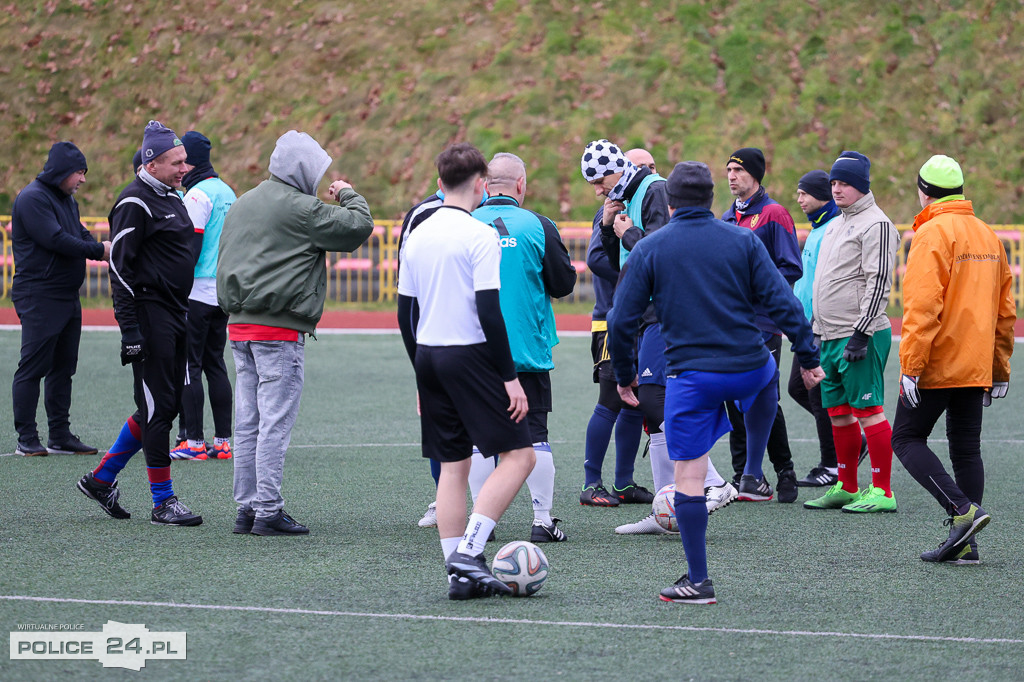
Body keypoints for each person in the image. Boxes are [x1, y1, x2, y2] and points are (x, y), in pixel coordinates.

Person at [608, 161, 823, 604]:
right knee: (767, 378)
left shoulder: (651, 248)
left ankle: (699, 580)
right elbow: (783, 303)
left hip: (691, 378)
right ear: (711, 199)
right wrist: (807, 355)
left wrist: (625, 376)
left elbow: (621, 320)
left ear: (669, 204)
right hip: (748, 364)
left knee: (688, 477)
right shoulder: (742, 238)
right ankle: (750, 472)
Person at [397, 142, 537, 600]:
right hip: (469, 354)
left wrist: (419, 372)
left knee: (453, 468)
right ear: (481, 185)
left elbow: (405, 313)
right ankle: (471, 553)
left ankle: (459, 577)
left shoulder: (417, 232)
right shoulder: (480, 235)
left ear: (439, 184)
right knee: (521, 456)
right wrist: (510, 377)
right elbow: (489, 313)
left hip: (429, 356)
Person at [218, 130, 374, 536]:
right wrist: (348, 193)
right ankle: (268, 509)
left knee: (247, 422)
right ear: (304, 169)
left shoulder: (243, 202)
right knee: (274, 423)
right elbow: (359, 227)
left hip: (238, 327)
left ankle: (246, 509)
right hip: (279, 329)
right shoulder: (304, 209)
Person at [76, 121, 203, 526]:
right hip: (151, 317)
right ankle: (163, 502)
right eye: (177, 162)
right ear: (152, 162)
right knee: (159, 409)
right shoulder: (134, 201)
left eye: (185, 160)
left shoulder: (171, 195)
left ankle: (102, 479)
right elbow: (120, 267)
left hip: (174, 314)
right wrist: (130, 331)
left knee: (157, 405)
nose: (185, 167)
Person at [891, 155, 1014, 563]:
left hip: (937, 362)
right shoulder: (988, 234)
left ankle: (962, 512)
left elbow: (922, 307)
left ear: (924, 191)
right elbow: (1005, 310)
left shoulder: (931, 233)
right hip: (976, 362)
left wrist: (911, 365)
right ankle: (968, 547)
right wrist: (999, 366)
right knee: (966, 448)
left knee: (906, 438)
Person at [470, 152, 577, 542]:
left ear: (484, 184)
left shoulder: (464, 222)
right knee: (535, 436)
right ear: (520, 185)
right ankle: (543, 521)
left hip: (473, 350)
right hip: (525, 351)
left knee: (479, 438)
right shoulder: (538, 225)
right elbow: (564, 284)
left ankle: (483, 521)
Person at [804, 151, 899, 514]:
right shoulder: (836, 223)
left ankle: (883, 490)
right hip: (829, 335)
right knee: (838, 413)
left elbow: (878, 283)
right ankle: (846, 485)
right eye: (833, 182)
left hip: (858, 334)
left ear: (861, 186)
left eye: (844, 183)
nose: (837, 188)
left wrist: (861, 333)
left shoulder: (875, 224)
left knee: (869, 410)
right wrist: (816, 331)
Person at [11, 141, 109, 457]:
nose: (82, 179)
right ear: (62, 171)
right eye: (79, 172)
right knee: (33, 367)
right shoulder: (32, 198)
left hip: (67, 296)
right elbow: (54, 239)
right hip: (39, 295)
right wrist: (99, 251)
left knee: (64, 367)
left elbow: (79, 234)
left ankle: (60, 434)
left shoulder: (67, 199)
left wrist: (104, 248)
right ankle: (27, 436)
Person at [721, 148, 802, 503]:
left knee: (764, 398)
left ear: (756, 174)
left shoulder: (774, 214)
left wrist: (756, 288)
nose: (731, 176)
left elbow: (791, 268)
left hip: (764, 323)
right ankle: (744, 475)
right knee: (733, 398)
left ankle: (785, 471)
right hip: (731, 324)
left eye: (738, 170)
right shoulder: (725, 219)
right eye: (728, 170)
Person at [578, 150, 652, 508]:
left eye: (653, 168)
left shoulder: (642, 204)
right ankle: (591, 483)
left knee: (636, 402)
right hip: (610, 319)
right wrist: (633, 276)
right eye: (644, 168)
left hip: (639, 321)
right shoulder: (611, 210)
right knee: (610, 398)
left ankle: (624, 482)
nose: (651, 175)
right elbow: (594, 259)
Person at [168, 131, 237, 461]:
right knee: (216, 364)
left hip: (195, 291)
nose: (179, 167)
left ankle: (193, 442)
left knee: (188, 365)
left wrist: (174, 285)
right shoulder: (227, 191)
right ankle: (223, 442)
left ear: (190, 160)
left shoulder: (196, 196)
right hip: (222, 291)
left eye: (182, 160)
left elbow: (189, 249)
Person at [790, 170, 847, 487]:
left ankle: (833, 464)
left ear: (821, 195)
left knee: (816, 391)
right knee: (800, 389)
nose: (799, 200)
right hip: (805, 325)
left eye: (804, 194)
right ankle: (849, 440)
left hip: (820, 325)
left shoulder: (832, 229)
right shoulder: (817, 229)